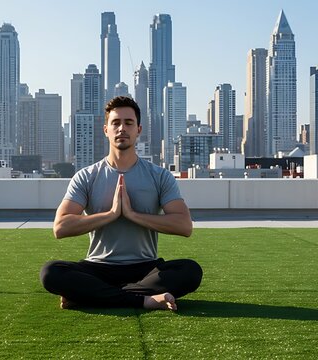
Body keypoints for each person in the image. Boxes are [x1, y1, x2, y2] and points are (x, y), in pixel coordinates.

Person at [40, 96, 202, 311]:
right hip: (98, 267)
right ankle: (145, 299)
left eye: (128, 123)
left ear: (139, 130)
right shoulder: (86, 176)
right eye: (116, 123)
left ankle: (89, 296)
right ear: (106, 129)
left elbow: (184, 226)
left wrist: (133, 215)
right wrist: (112, 214)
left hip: (145, 269)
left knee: (190, 270)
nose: (122, 129)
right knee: (51, 272)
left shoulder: (159, 176)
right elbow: (60, 228)